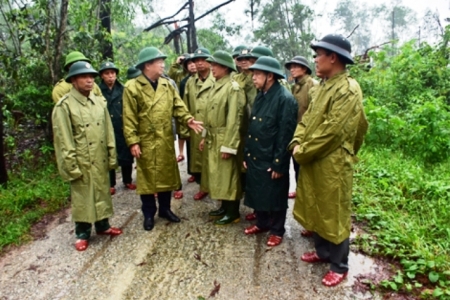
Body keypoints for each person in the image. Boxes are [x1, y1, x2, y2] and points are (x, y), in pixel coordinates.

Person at [288, 34, 368, 287]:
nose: (315, 59)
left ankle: (339, 264)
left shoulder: (348, 89)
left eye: (318, 55)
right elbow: (308, 119)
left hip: (332, 161)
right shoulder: (321, 86)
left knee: (334, 209)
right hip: (313, 156)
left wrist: (302, 151)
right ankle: (322, 252)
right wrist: (297, 141)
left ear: (333, 58)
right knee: (314, 203)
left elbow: (333, 131)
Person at [122, 47, 203, 231]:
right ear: (147, 65)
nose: (163, 65)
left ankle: (165, 209)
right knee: (148, 176)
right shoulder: (132, 87)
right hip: (146, 140)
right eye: (159, 62)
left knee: (166, 174)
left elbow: (177, 105)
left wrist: (188, 119)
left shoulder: (166, 85)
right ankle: (149, 213)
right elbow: (129, 117)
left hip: (165, 138)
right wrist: (133, 141)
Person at [52, 61, 122, 252]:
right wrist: (70, 165)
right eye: (84, 76)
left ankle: (103, 226)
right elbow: (63, 140)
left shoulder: (98, 101)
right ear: (73, 80)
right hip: (81, 158)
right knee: (83, 195)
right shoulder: (64, 106)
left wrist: (111, 154)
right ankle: (82, 233)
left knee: (101, 189)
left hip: (99, 156)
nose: (89, 80)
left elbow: (108, 130)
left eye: (91, 76)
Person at [243, 56, 298, 247]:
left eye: (257, 74)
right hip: (258, 152)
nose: (253, 78)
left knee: (275, 193)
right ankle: (262, 222)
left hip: (273, 154)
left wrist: (279, 163)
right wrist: (247, 153)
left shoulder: (285, 99)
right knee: (259, 190)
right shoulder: (262, 95)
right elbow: (253, 127)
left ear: (270, 76)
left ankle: (277, 230)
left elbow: (286, 134)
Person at [198, 51, 245, 225]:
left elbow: (235, 120)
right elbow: (208, 115)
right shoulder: (216, 85)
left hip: (225, 137)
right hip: (213, 137)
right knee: (218, 176)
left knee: (228, 175)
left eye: (215, 65)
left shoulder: (232, 88)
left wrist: (229, 146)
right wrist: (204, 136)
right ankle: (224, 207)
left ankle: (233, 211)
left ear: (225, 67)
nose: (212, 68)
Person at [98, 62, 136, 195]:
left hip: (122, 125)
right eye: (107, 73)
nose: (110, 76)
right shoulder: (97, 90)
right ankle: (111, 183)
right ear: (102, 75)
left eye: (112, 73)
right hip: (106, 126)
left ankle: (127, 180)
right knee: (109, 154)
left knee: (126, 153)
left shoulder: (123, 89)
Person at [182, 48, 215, 200]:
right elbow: (185, 105)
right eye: (197, 60)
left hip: (213, 126)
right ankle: (203, 187)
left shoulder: (216, 79)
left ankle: (216, 189)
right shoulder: (190, 81)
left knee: (214, 159)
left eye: (203, 60)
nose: (199, 63)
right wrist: (186, 125)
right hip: (197, 126)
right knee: (198, 159)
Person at [284, 56, 318, 202]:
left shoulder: (312, 85)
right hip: (294, 132)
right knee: (296, 165)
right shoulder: (295, 86)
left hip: (307, 133)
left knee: (306, 168)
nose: (292, 69)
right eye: (290, 67)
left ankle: (307, 196)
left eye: (295, 66)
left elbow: (315, 111)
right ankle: (299, 190)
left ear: (304, 69)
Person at [173, 54, 197, 200]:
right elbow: (181, 102)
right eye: (190, 63)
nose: (193, 65)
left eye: (195, 62)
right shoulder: (184, 81)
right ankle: (193, 172)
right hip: (189, 117)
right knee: (191, 146)